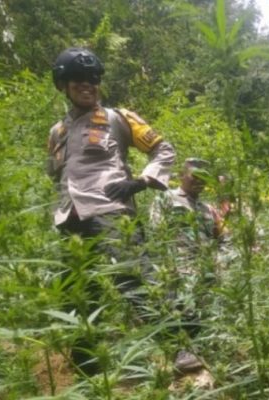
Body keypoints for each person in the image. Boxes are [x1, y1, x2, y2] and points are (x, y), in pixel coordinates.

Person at [46, 47, 175, 374]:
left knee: (134, 276)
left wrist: (142, 182)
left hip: (110, 209)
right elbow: (56, 173)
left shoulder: (118, 118)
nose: (87, 85)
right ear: (63, 84)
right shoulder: (57, 132)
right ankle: (87, 365)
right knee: (77, 289)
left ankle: (178, 346)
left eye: (93, 79)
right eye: (78, 79)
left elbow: (163, 149)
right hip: (70, 216)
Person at [149, 158, 223, 373]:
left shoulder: (207, 208)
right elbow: (157, 231)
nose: (199, 183)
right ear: (182, 176)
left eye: (204, 179)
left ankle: (203, 348)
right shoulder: (166, 199)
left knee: (207, 308)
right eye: (194, 177)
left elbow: (218, 236)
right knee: (183, 306)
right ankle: (182, 353)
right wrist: (167, 263)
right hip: (179, 264)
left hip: (207, 266)